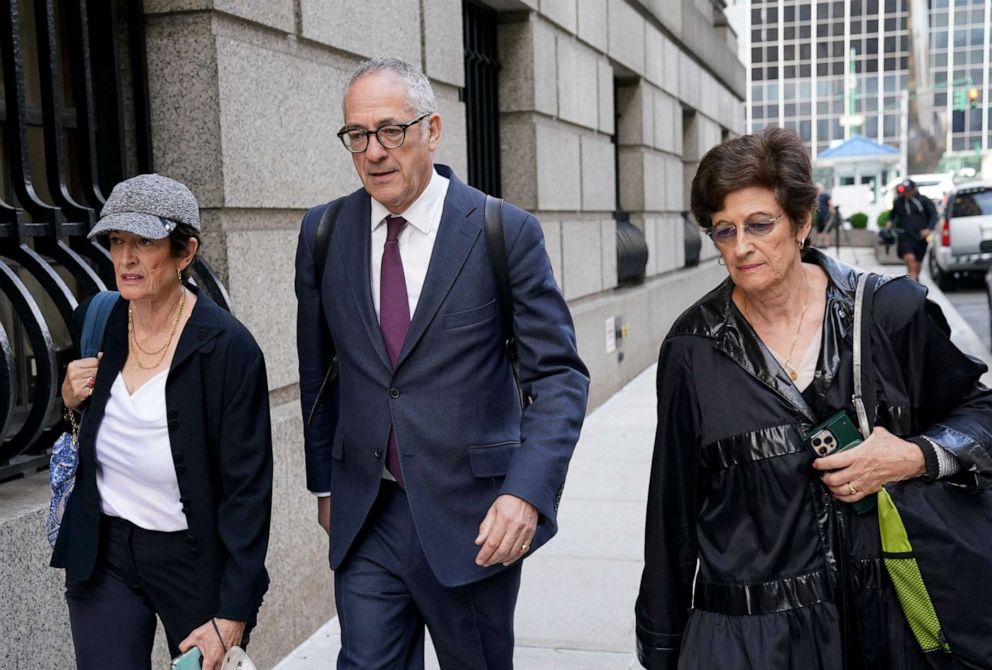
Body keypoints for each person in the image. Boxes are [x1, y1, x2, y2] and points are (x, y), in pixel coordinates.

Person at [635, 128, 992, 669]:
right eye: (723, 231)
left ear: (802, 222)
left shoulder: (888, 316)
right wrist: (661, 648)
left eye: (760, 224)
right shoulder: (693, 348)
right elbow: (672, 514)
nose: (741, 246)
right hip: (747, 640)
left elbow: (981, 414)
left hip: (881, 627)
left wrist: (912, 456)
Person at [295, 57, 589, 669]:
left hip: (473, 521)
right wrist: (324, 483)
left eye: (390, 130)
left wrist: (526, 494)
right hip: (367, 514)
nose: (374, 151)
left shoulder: (501, 231)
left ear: (432, 129)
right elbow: (319, 372)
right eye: (357, 135)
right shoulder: (324, 233)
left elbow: (558, 377)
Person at [51, 174, 273, 670]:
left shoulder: (228, 349)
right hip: (104, 553)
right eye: (116, 241)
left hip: (191, 563)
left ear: (184, 251)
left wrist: (233, 612)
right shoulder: (101, 318)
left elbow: (248, 493)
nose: (125, 258)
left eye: (144, 242)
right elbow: (79, 432)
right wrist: (69, 400)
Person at [887, 178, 937, 281]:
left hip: (920, 237)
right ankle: (912, 282)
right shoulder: (899, 202)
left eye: (908, 190)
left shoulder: (924, 201)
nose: (906, 193)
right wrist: (889, 224)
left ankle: (914, 278)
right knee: (909, 259)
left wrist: (928, 229)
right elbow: (892, 215)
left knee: (917, 264)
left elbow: (933, 216)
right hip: (905, 236)